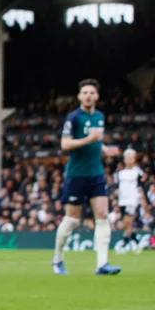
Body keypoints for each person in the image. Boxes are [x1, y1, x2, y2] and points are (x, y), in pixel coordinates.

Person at [51, 79, 122, 275]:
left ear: (97, 96)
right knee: (72, 220)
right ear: (79, 96)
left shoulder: (100, 116)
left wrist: (105, 149)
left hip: (96, 174)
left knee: (102, 216)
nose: (89, 95)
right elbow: (65, 144)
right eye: (85, 92)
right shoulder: (73, 118)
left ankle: (102, 264)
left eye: (92, 92)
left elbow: (97, 144)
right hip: (77, 174)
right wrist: (89, 139)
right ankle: (57, 259)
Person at [115, 149, 145, 253]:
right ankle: (137, 243)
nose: (128, 160)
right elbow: (117, 187)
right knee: (126, 224)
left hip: (132, 200)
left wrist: (142, 199)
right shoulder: (120, 173)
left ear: (134, 159)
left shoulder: (138, 172)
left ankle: (123, 245)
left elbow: (141, 186)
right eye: (127, 158)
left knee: (128, 222)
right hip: (122, 200)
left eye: (131, 158)